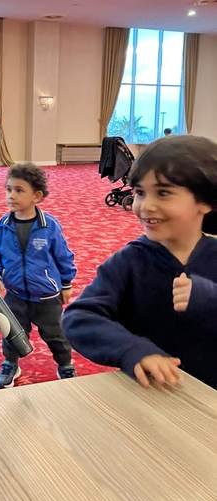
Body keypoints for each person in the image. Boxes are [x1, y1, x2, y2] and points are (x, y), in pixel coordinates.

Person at [63, 135, 217, 390]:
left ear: (205, 202)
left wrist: (208, 299)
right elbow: (79, 317)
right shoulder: (130, 261)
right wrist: (132, 349)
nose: (146, 206)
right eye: (140, 193)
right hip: (150, 394)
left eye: (163, 193)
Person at [0, 162, 77, 388]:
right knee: (12, 332)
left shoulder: (49, 226)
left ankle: (65, 365)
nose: (11, 195)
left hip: (46, 296)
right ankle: (10, 364)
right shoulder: (2, 226)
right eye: (8, 189)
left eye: (19, 190)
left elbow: (63, 255)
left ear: (36, 196)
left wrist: (66, 283)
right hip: (15, 294)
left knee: (55, 335)